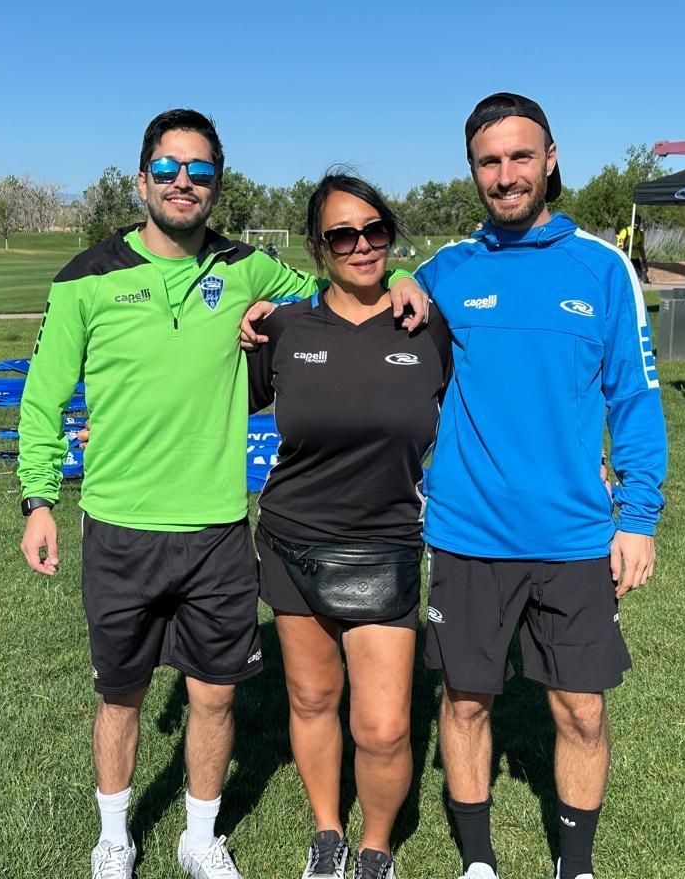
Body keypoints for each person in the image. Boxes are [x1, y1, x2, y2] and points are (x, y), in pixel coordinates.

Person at [15, 109, 428, 879]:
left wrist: (402, 276)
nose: (184, 182)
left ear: (216, 184)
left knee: (214, 696)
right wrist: (39, 500)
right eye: (169, 168)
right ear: (142, 179)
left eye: (200, 171)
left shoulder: (248, 268)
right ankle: (114, 837)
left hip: (218, 530)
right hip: (120, 524)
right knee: (121, 696)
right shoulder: (84, 278)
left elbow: (339, 285)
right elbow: (43, 397)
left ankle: (200, 837)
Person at [414, 93, 668, 879]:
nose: (506, 175)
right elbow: (353, 311)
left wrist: (639, 516)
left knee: (581, 709)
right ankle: (478, 863)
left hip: (574, 535)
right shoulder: (444, 272)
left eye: (521, 156)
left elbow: (634, 399)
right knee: (465, 701)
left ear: (550, 158)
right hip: (469, 532)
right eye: (488, 161)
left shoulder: (602, 268)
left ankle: (574, 865)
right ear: (473, 171)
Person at [247, 172, 451, 879]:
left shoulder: (427, 324)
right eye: (342, 235)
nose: (361, 246)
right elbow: (213, 396)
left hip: (387, 544)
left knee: (385, 727)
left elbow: (491, 401)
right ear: (317, 247)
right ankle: (329, 833)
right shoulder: (284, 328)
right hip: (291, 540)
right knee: (312, 699)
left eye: (375, 230)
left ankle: (376, 847)